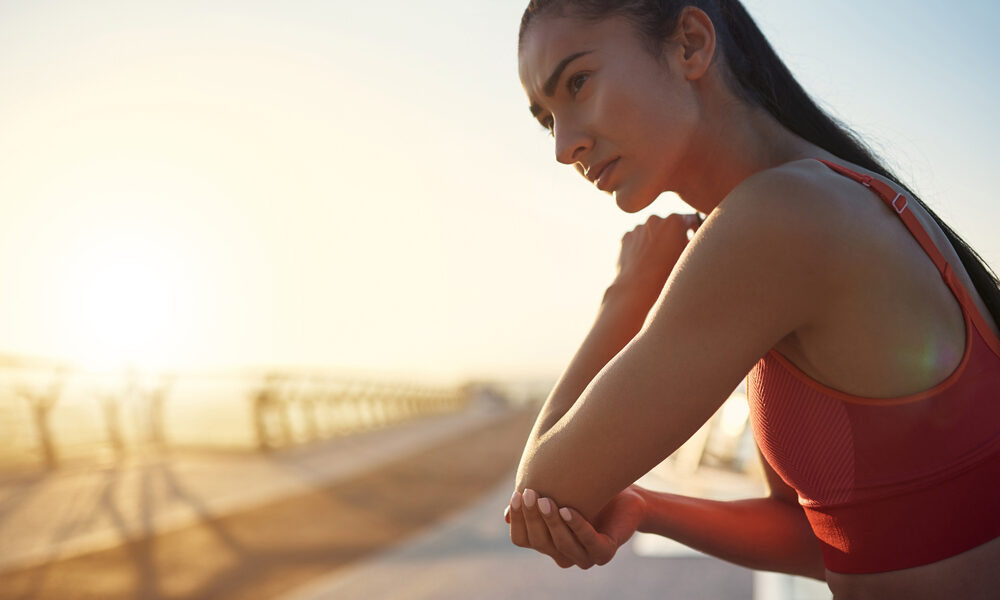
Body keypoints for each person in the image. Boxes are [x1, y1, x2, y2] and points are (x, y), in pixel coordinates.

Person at [504, 1, 1000, 598]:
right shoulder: (820, 196)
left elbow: (548, 488)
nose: (563, 147)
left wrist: (627, 294)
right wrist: (647, 507)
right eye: (546, 118)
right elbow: (821, 536)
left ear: (690, 44)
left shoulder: (782, 216)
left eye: (577, 83)